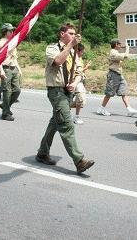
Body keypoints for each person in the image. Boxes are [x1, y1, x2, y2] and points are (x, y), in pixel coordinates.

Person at [36, 23, 94, 174]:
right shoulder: (52, 48)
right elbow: (57, 61)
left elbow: (80, 71)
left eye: (75, 34)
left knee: (55, 122)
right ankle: (79, 161)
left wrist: (74, 83)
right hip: (56, 91)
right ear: (62, 34)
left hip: (68, 91)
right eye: (71, 33)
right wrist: (70, 46)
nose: (74, 36)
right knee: (67, 124)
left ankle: (42, 153)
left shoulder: (74, 52)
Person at [97, 38, 137, 117]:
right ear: (116, 44)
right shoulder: (113, 52)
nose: (121, 45)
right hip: (113, 75)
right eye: (119, 44)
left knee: (123, 91)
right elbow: (125, 56)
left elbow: (121, 60)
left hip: (119, 75)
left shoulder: (116, 52)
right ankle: (101, 108)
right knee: (109, 93)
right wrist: (127, 48)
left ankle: (129, 109)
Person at [0, 23, 21, 121]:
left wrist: (19, 69)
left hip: (13, 68)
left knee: (17, 90)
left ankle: (5, 105)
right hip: (5, 68)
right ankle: (5, 114)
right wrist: (1, 71)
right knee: (7, 91)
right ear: (5, 31)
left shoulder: (13, 42)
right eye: (10, 30)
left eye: (12, 30)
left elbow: (14, 58)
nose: (12, 32)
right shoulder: (0, 43)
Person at [72, 43, 90, 125]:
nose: (82, 53)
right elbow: (76, 72)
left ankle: (76, 116)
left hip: (81, 80)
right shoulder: (73, 59)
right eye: (82, 51)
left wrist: (85, 68)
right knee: (80, 98)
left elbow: (81, 71)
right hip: (75, 81)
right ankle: (67, 114)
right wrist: (85, 68)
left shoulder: (80, 58)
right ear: (78, 51)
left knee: (79, 100)